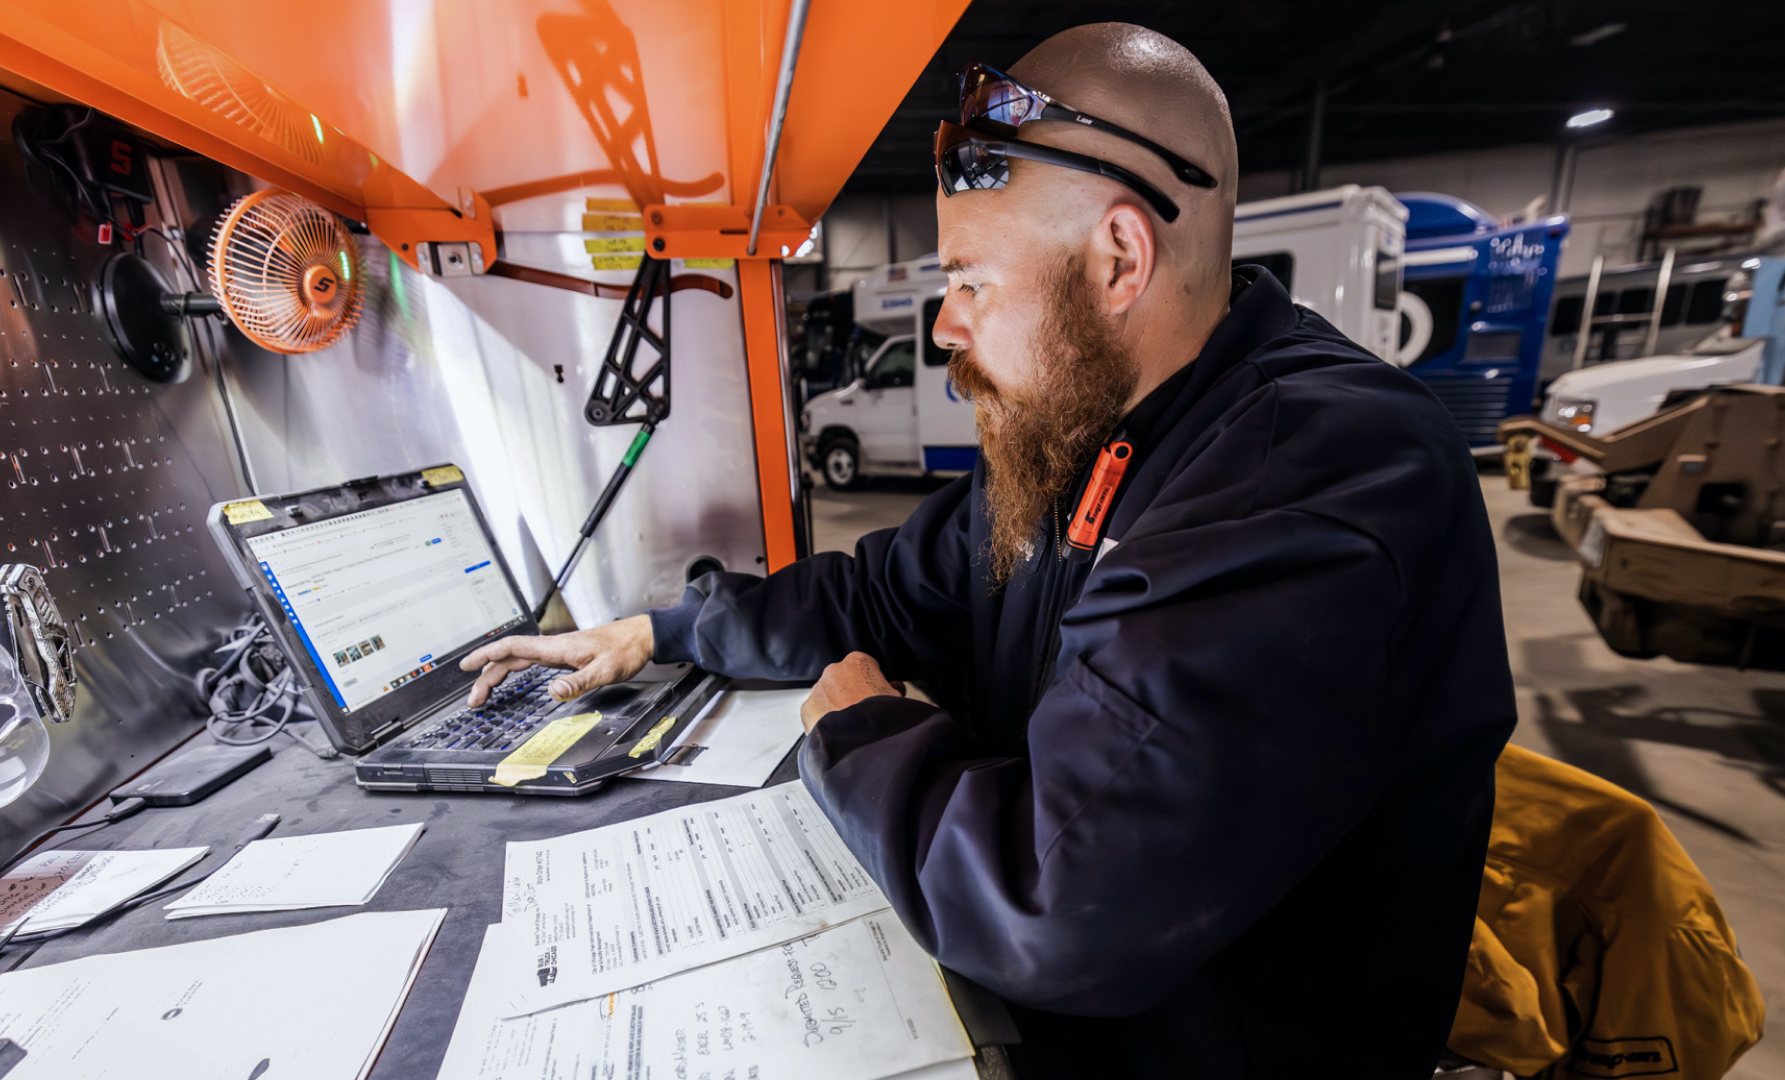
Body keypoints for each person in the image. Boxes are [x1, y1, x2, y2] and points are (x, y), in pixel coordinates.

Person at [463, 23, 1516, 1079]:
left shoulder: (1319, 475)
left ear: (1118, 260)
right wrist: (658, 632)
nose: (943, 327)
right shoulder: (1092, 429)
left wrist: (866, 734)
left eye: (970, 278)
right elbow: (882, 593)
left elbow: (1058, 899)